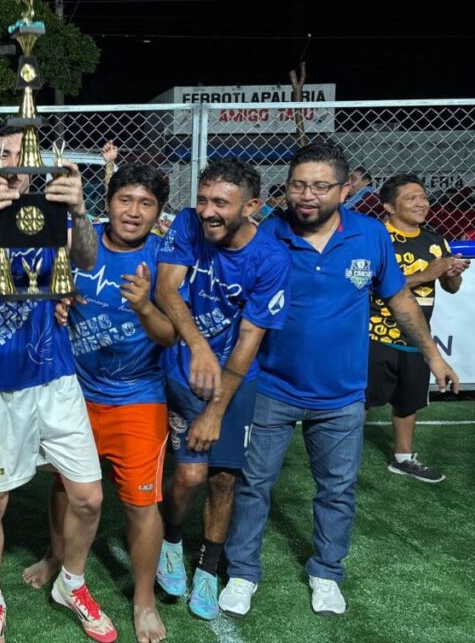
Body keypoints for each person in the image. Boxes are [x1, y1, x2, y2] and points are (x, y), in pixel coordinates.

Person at [218, 143, 460, 619]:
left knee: (336, 490)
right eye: (297, 185)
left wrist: (433, 356)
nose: (306, 195)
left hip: (343, 396)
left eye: (320, 186)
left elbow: (400, 301)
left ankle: (326, 572)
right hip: (271, 387)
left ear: (345, 189)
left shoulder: (370, 236)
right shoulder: (269, 233)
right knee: (253, 485)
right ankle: (243, 571)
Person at [0, 123, 115, 643]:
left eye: (26, 154)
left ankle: (72, 583)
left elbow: (85, 259)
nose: (19, 163)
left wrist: (81, 211)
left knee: (88, 498)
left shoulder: (50, 207)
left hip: (53, 378)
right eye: (8, 153)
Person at [153, 160, 291, 621]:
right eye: (203, 199)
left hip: (235, 379)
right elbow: (168, 290)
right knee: (190, 476)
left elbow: (251, 338)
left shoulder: (271, 258)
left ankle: (209, 566)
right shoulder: (190, 225)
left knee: (225, 478)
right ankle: (170, 540)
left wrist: (216, 410)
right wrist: (199, 349)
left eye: (220, 203)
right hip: (181, 369)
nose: (207, 211)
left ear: (251, 206)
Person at [50, 163, 176, 643]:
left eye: (146, 204)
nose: (134, 212)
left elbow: (171, 336)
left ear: (157, 212)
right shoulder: (78, 240)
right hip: (76, 391)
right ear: (109, 200)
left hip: (137, 397)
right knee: (65, 488)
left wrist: (145, 305)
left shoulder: (164, 258)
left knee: (142, 504)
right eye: (126, 200)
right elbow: (50, 291)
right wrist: (57, 301)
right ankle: (56, 560)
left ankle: (142, 599)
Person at [367, 174, 467, 482]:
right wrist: (426, 274)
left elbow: (452, 287)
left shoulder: (435, 239)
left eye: (423, 197)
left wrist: (450, 272)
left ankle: (403, 458)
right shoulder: (375, 237)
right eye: (412, 198)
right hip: (374, 335)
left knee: (408, 401)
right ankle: (338, 451)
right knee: (361, 400)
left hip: (415, 338)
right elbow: (372, 284)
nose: (422, 203)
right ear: (388, 206)